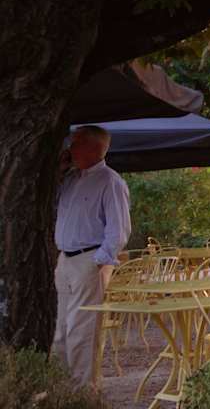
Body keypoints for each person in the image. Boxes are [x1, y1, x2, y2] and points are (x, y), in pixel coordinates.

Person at [52, 124, 131, 388]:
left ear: (92, 147)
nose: (69, 149)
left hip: (88, 260)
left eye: (75, 143)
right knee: (61, 330)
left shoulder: (110, 181)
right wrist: (60, 170)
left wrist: (98, 261)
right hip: (65, 260)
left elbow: (119, 229)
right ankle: (60, 390)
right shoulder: (71, 179)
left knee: (82, 331)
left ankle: (83, 394)